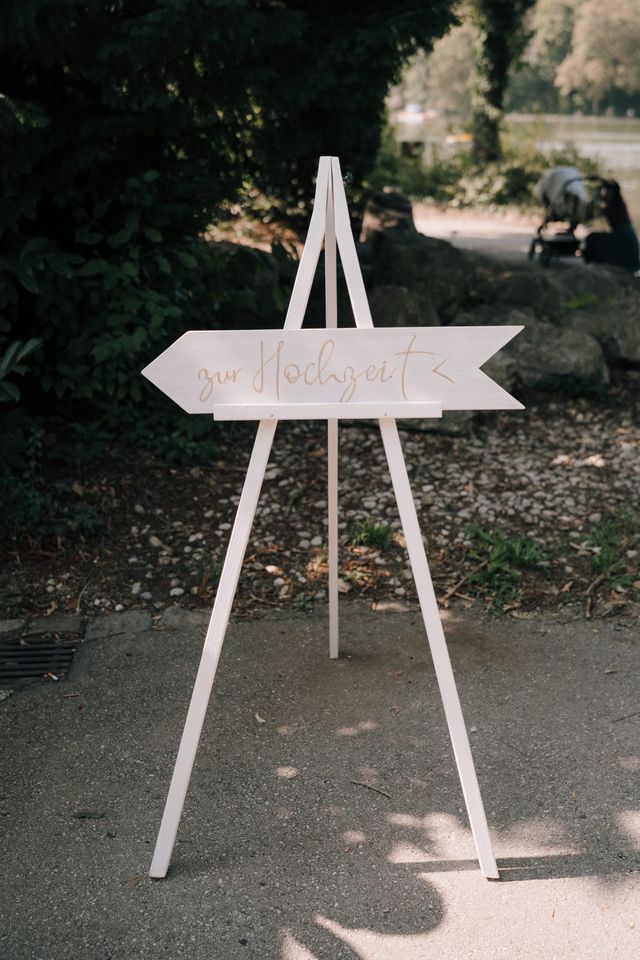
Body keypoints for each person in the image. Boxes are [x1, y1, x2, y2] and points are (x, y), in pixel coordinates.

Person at [583, 179, 640, 274]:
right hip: (622, 234)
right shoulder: (616, 202)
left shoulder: (616, 204)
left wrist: (597, 195)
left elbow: (595, 213)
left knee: (592, 239)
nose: (605, 193)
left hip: (622, 236)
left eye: (607, 191)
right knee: (594, 238)